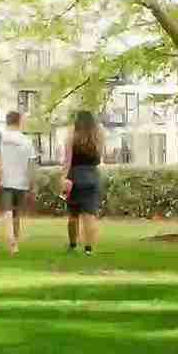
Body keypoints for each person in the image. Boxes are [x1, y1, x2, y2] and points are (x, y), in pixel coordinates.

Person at [0, 111, 37, 254]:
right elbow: (31, 164)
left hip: (3, 180)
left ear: (7, 121)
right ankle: (15, 240)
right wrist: (32, 182)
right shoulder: (26, 141)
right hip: (22, 182)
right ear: (19, 121)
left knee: (7, 211)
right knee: (16, 213)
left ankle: (12, 242)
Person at [61, 109, 104, 255]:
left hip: (75, 176)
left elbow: (67, 159)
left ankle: (73, 245)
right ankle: (88, 249)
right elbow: (100, 157)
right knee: (89, 214)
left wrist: (64, 177)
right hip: (92, 175)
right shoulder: (98, 136)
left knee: (73, 215)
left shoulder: (72, 135)